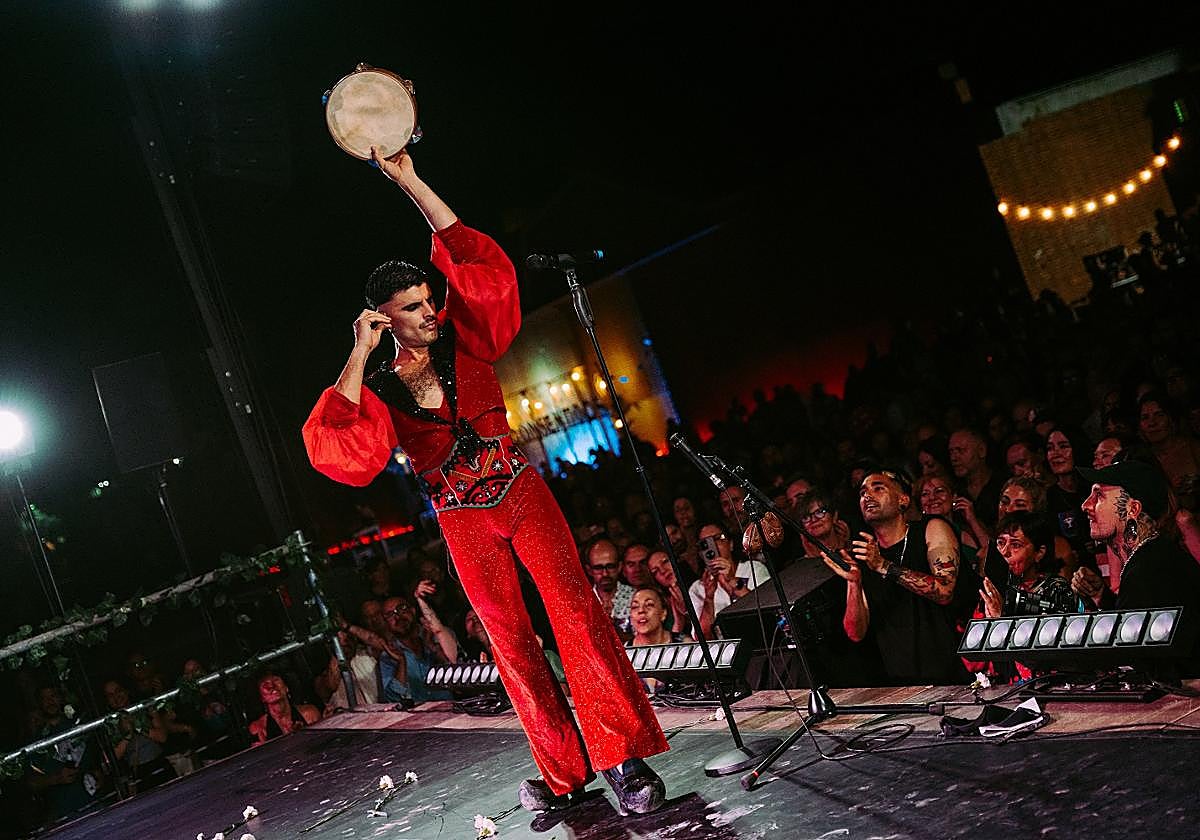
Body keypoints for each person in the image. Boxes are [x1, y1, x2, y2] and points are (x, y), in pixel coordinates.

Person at [300, 147, 666, 815]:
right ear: (385, 319)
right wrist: (357, 350)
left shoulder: (467, 337)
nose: (428, 310)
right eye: (410, 308)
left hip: (523, 493)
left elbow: (475, 264)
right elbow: (339, 446)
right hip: (462, 519)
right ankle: (563, 771)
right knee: (512, 645)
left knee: (579, 618)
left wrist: (409, 180)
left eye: (427, 299)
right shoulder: (379, 387)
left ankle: (620, 756)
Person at [819, 470, 969, 685]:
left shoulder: (931, 528)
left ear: (903, 500)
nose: (868, 496)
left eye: (878, 488)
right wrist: (854, 583)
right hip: (898, 682)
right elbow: (855, 633)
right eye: (863, 493)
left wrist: (883, 566)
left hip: (951, 673)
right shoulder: (863, 556)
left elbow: (944, 591)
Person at [1070, 458, 1200, 677]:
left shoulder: (1149, 567)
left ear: (1133, 508)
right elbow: (1138, 634)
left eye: (1099, 495)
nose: (1086, 505)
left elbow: (1130, 656)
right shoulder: (1152, 556)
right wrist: (1102, 597)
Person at [688, 523, 771, 639]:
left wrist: (733, 580)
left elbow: (769, 613)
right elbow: (701, 637)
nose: (713, 546)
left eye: (718, 539)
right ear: (701, 554)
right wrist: (708, 598)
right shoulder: (697, 588)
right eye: (704, 544)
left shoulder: (754, 568)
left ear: (731, 544)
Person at [628, 587, 694, 695]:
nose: (641, 611)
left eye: (649, 605)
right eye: (635, 607)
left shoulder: (684, 645)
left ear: (663, 613)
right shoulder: (624, 654)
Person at [247, 673, 321, 746]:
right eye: (265, 684)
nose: (272, 686)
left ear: (286, 687)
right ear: (261, 697)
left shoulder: (309, 713)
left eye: (275, 680)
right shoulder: (258, 727)